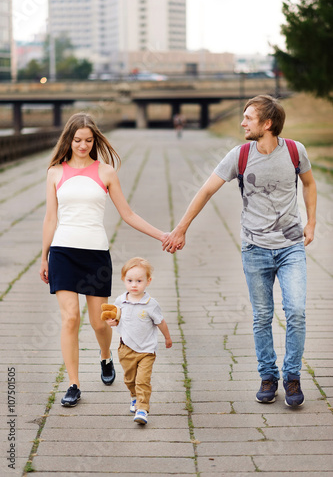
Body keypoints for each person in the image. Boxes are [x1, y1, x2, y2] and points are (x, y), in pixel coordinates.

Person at [163, 95, 317, 408]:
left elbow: (310, 184)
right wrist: (181, 228)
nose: (242, 122)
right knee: (262, 316)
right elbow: (206, 189)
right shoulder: (240, 155)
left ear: (267, 123)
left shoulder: (294, 151)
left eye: (248, 117)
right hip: (255, 249)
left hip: (290, 248)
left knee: (296, 312)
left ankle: (292, 377)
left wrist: (311, 223)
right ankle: (268, 376)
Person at [39, 113, 167, 407]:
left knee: (100, 322)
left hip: (95, 254)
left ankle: (105, 356)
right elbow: (50, 218)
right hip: (62, 252)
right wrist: (44, 257)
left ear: (95, 140)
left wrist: (161, 235)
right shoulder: (55, 173)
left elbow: (128, 214)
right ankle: (73, 384)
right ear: (68, 140)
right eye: (77, 140)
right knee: (70, 318)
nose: (82, 145)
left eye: (88, 140)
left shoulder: (106, 172)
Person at [105, 257, 172, 425]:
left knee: (142, 380)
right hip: (126, 348)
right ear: (123, 280)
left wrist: (167, 337)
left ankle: (142, 409)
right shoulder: (121, 300)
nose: (134, 284)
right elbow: (116, 317)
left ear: (148, 281)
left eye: (139, 281)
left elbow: (160, 322)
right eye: (130, 280)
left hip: (146, 351)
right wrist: (112, 322)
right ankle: (134, 396)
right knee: (130, 379)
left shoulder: (151, 304)